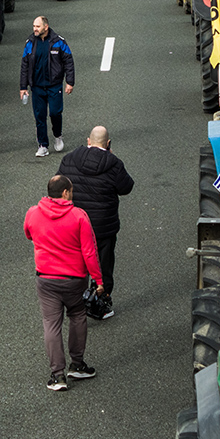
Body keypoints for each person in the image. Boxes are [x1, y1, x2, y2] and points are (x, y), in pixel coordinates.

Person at [23, 174, 103, 391]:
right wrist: (98, 279)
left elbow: (29, 234)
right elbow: (89, 251)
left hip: (46, 279)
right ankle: (77, 364)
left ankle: (57, 375)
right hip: (74, 279)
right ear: (66, 193)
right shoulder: (78, 216)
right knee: (77, 316)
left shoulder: (33, 213)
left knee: (51, 324)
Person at [57, 126, 135, 317]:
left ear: (88, 141)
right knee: (103, 266)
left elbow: (59, 185)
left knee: (75, 263)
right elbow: (126, 187)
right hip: (102, 226)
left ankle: (74, 301)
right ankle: (100, 302)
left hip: (73, 224)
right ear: (108, 144)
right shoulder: (114, 164)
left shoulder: (69, 159)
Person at [19, 15, 74, 157]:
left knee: (55, 113)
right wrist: (23, 87)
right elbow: (24, 65)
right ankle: (43, 145)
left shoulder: (58, 42)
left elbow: (68, 60)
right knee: (39, 116)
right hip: (37, 87)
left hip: (54, 85)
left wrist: (70, 82)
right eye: (33, 26)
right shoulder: (30, 42)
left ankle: (57, 135)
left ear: (45, 27)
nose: (34, 29)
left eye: (37, 26)